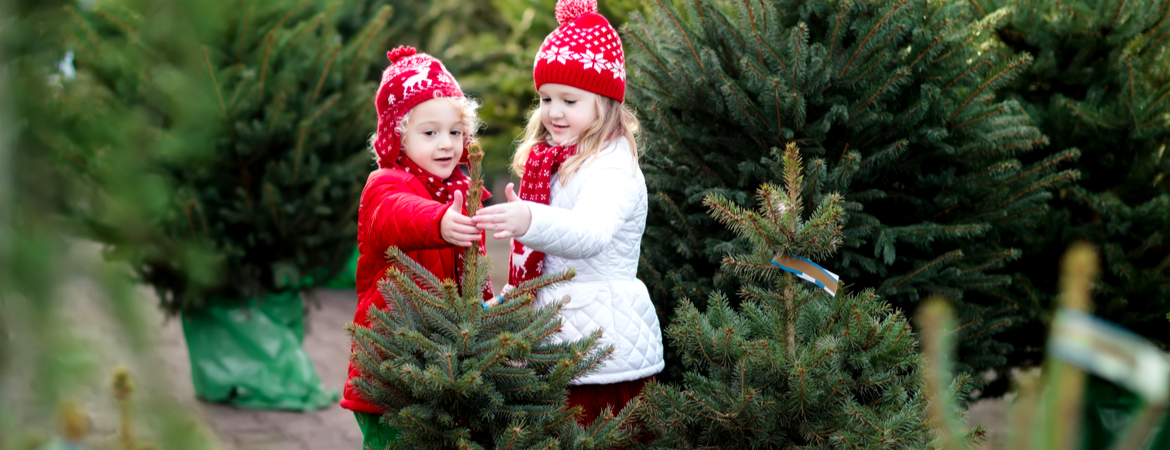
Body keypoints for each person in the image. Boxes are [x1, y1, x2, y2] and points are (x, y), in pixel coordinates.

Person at [472, 0, 664, 427]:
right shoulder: (556, 160)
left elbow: (592, 233)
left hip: (603, 350)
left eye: (569, 99)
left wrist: (529, 222)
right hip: (562, 334)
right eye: (546, 98)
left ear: (605, 101)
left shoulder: (611, 165)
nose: (554, 111)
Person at [340, 46, 491, 449]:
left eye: (455, 132)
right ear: (398, 135)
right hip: (393, 370)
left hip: (441, 370)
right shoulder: (386, 184)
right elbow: (394, 214)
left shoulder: (459, 190)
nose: (446, 144)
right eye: (430, 133)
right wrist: (439, 221)